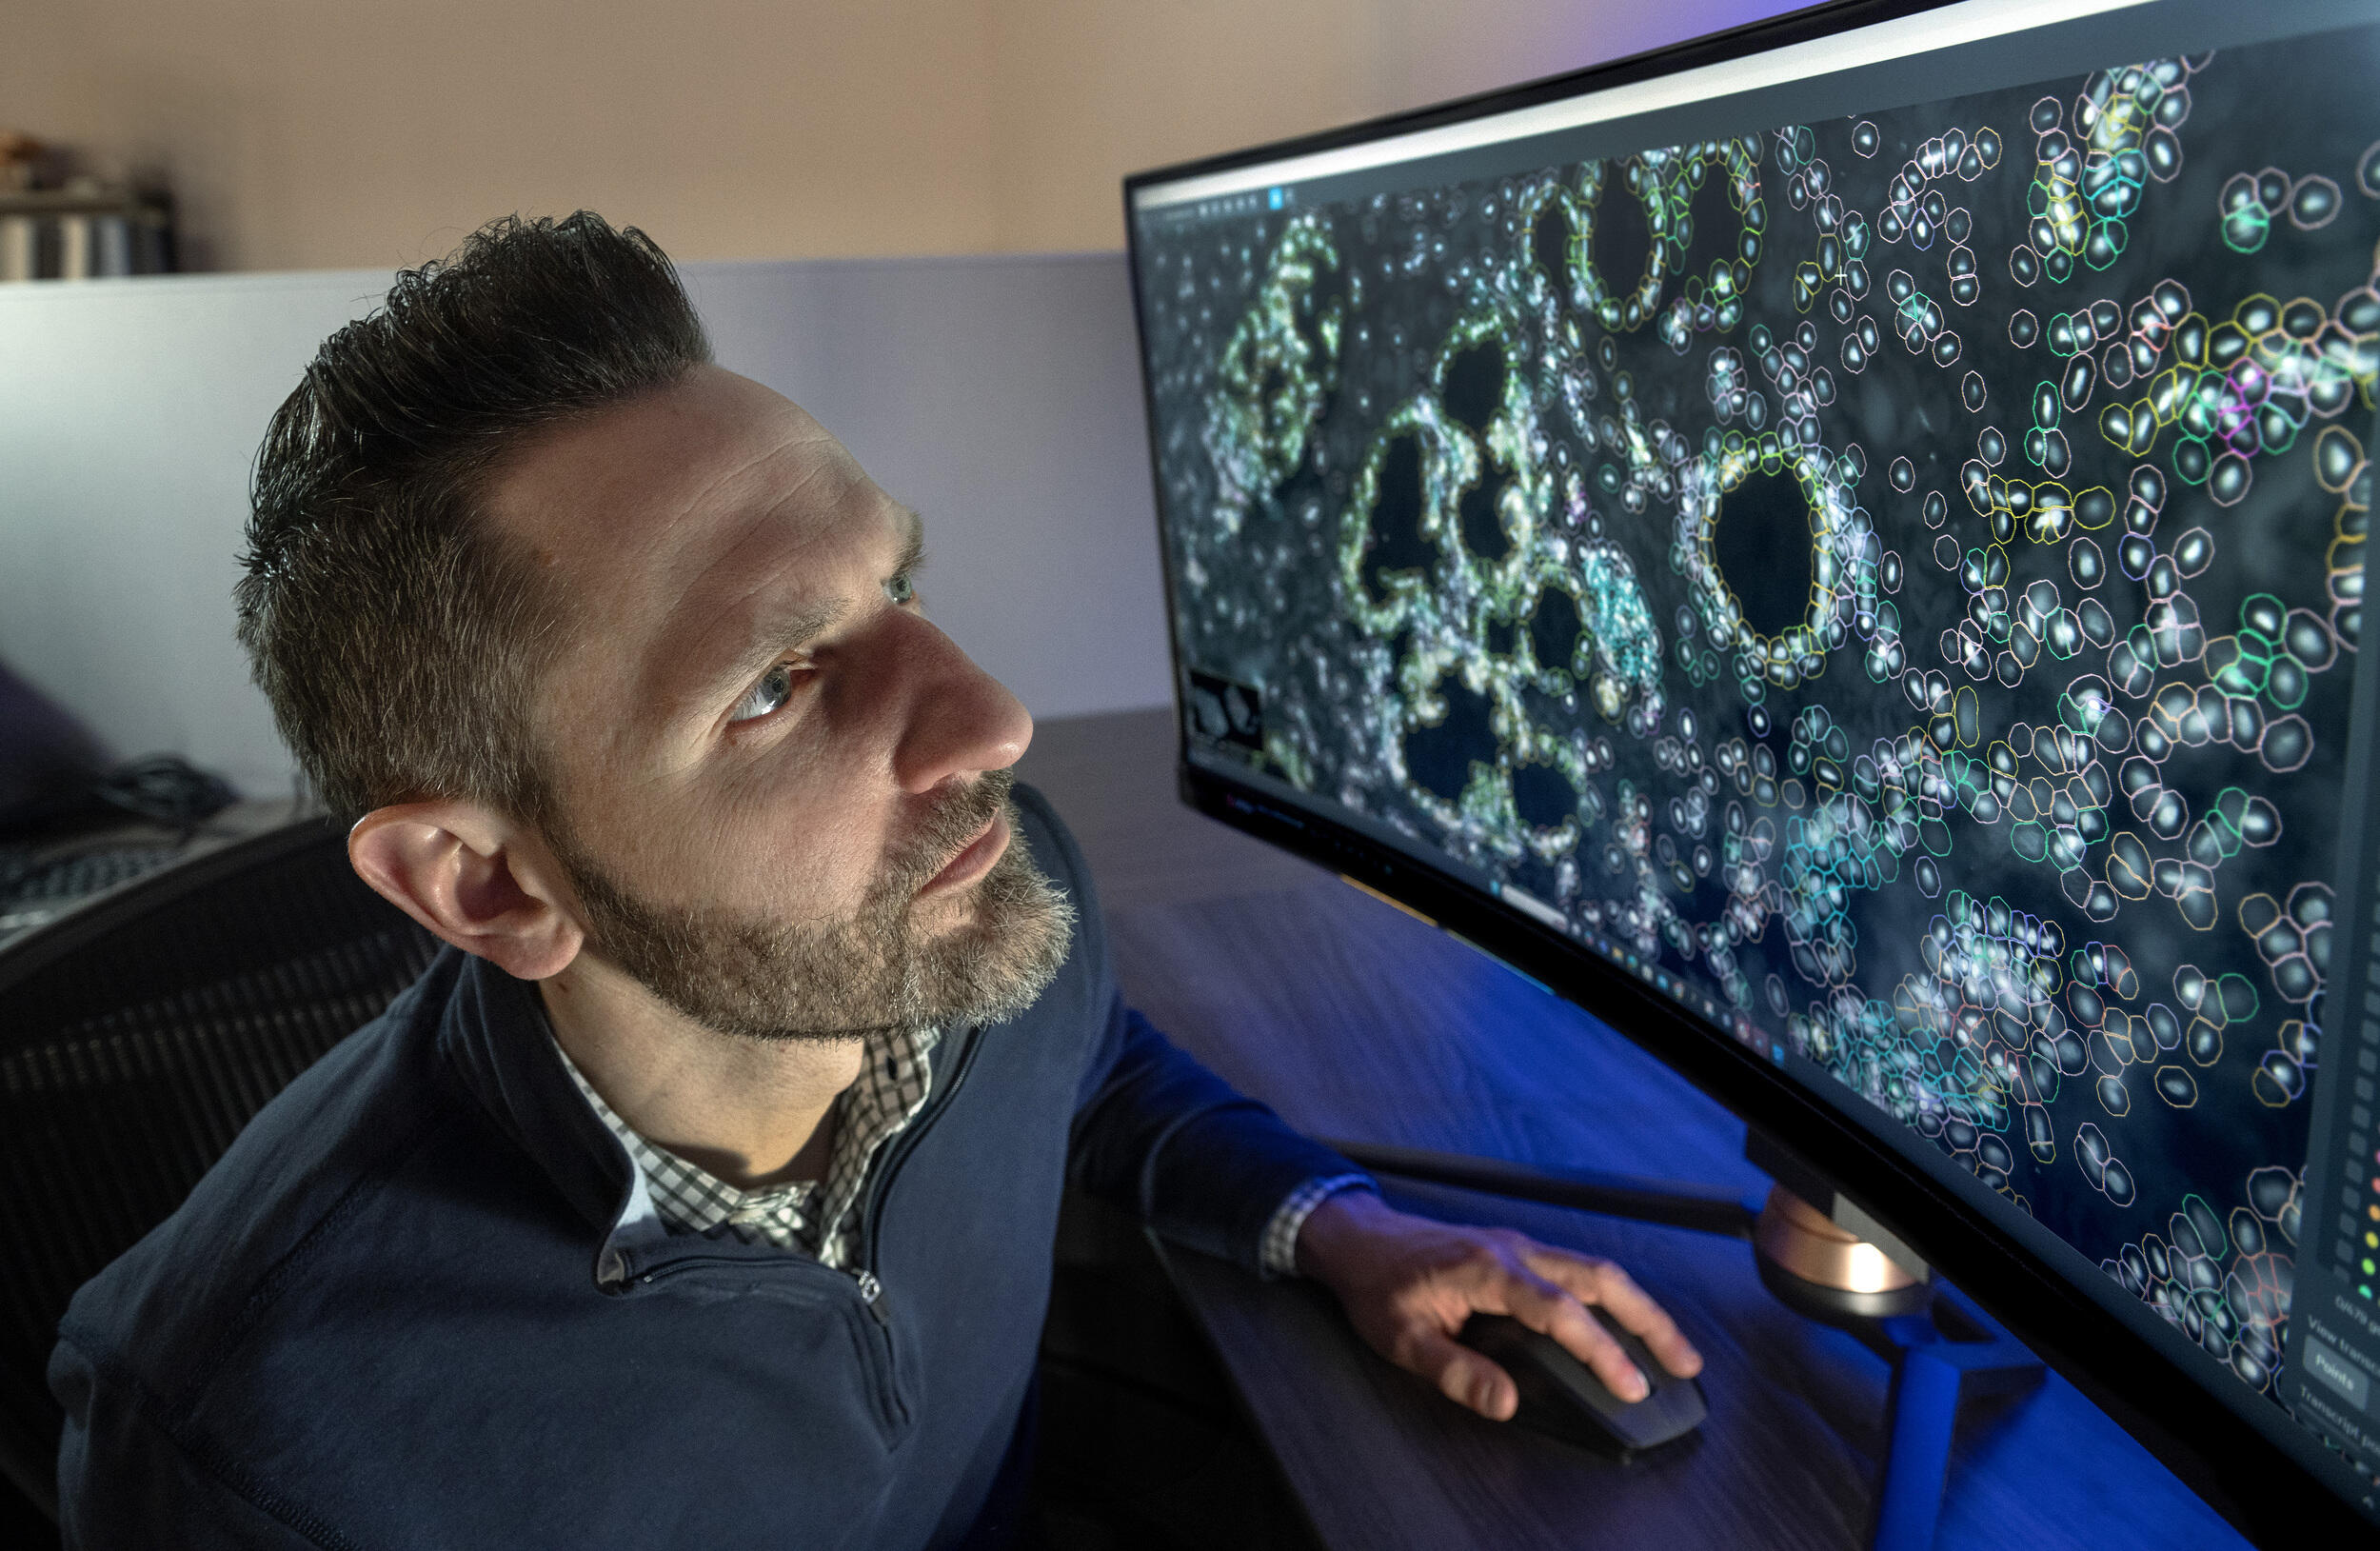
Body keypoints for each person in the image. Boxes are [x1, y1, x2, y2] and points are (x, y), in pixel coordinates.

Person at [49, 212, 1700, 1548]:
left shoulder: (970, 899)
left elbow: (1088, 1056)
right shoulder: (262, 1451)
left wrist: (1341, 1225)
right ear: (487, 887)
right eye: (774, 683)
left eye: (896, 580)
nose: (993, 721)